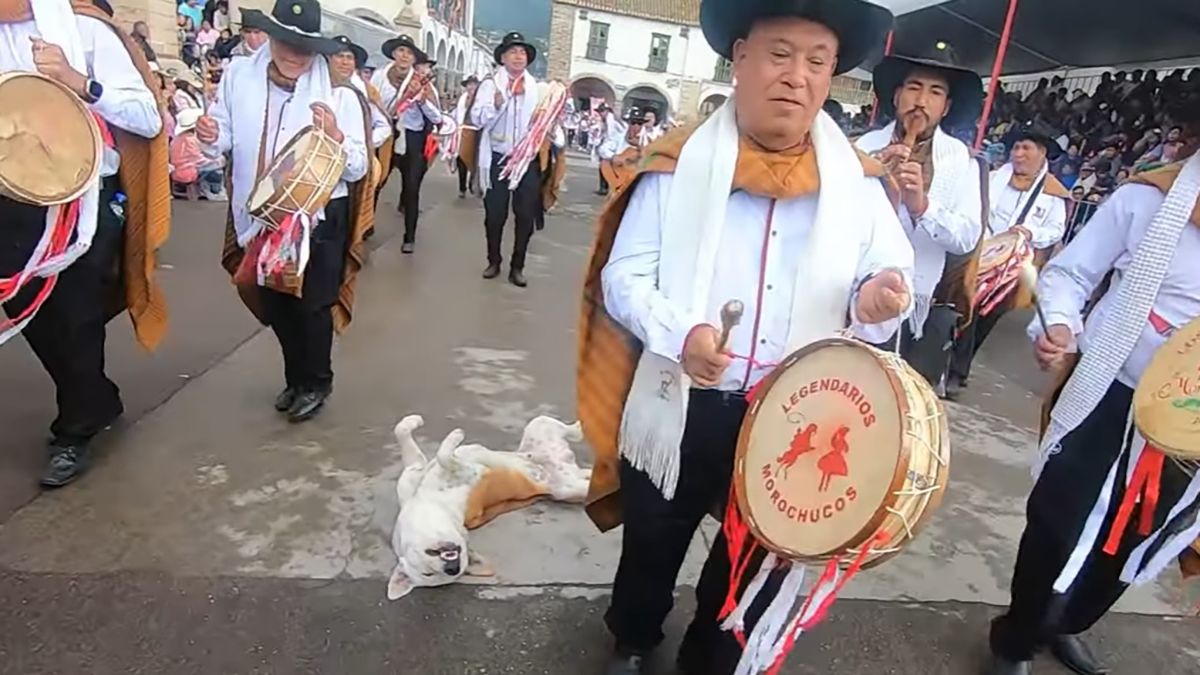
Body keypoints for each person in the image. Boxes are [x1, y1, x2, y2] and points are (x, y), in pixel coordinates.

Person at [576, 1, 914, 673]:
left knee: (755, 549)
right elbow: (624, 276)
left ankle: (712, 647)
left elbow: (888, 280)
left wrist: (879, 296)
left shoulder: (857, 185)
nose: (797, 77)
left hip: (792, 419)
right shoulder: (678, 164)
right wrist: (682, 332)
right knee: (653, 535)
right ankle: (635, 636)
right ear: (740, 58)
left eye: (817, 62)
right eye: (780, 54)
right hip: (683, 397)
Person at [986, 100, 1200, 675]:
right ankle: (1016, 639)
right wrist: (1060, 323)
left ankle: (1064, 623)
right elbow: (1071, 274)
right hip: (1110, 389)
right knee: (1057, 523)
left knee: (1134, 543)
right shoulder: (1147, 198)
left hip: (1189, 425)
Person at [1, 0, 169, 486]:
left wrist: (81, 83)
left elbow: (148, 117)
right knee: (27, 313)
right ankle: (96, 397)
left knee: (76, 320)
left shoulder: (85, 30)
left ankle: (73, 432)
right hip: (12, 201)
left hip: (83, 202)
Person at [198, 0, 368, 423]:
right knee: (275, 302)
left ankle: (316, 381)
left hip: (318, 215)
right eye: (287, 43)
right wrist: (209, 134)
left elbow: (359, 166)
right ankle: (296, 377)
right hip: (260, 213)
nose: (295, 55)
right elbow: (223, 136)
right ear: (270, 38)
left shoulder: (339, 91)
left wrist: (335, 139)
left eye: (305, 48)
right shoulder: (239, 76)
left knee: (311, 305)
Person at [855, 53, 985, 395]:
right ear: (897, 97)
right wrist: (874, 180)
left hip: (921, 314)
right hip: (857, 301)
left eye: (935, 93)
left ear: (946, 107)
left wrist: (923, 206)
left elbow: (967, 238)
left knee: (904, 410)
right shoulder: (862, 150)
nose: (921, 102)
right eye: (914, 88)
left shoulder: (962, 161)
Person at [948, 121, 1070, 398]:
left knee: (989, 315)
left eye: (1026, 148)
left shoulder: (1054, 193)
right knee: (969, 306)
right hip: (982, 255)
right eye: (1016, 147)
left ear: (1042, 153)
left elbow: (1055, 230)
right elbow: (977, 209)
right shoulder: (993, 179)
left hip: (1015, 267)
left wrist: (1030, 232)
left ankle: (959, 364)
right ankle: (956, 370)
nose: (1019, 154)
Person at [471, 31, 544, 288]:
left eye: (522, 52)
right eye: (513, 51)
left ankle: (518, 266)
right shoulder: (491, 84)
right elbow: (478, 119)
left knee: (525, 215)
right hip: (498, 158)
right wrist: (496, 104)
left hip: (526, 159)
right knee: (495, 214)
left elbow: (546, 125)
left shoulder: (536, 88)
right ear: (503, 57)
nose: (518, 56)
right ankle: (494, 260)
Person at [370, 33, 439, 254]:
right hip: (386, 134)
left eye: (409, 52)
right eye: (401, 51)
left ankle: (409, 236)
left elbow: (436, 115)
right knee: (375, 181)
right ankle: (366, 223)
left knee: (411, 189)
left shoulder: (421, 81)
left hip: (412, 138)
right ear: (393, 53)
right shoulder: (379, 77)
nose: (404, 56)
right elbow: (370, 103)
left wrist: (420, 99)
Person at [454, 75, 480, 198]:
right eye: (469, 84)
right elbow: (458, 114)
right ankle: (462, 186)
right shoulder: (463, 99)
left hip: (476, 132)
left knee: (475, 160)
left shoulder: (481, 99)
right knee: (461, 160)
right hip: (464, 131)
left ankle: (472, 183)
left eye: (474, 84)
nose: (471, 87)